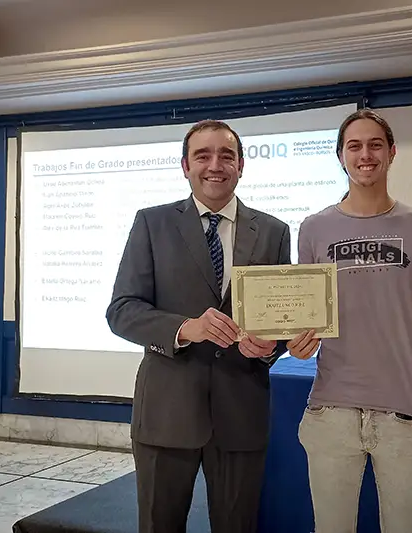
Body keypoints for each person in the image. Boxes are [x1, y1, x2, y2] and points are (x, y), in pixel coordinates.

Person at [106, 119, 292, 533]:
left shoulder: (275, 232)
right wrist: (185, 327)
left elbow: (280, 319)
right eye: (202, 155)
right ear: (185, 166)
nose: (215, 165)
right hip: (167, 413)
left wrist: (271, 345)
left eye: (226, 156)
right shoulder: (151, 224)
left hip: (241, 411)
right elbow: (121, 310)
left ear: (241, 165)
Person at [286, 108, 412, 532]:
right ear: (340, 156)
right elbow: (307, 318)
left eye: (374, 144)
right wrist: (296, 342)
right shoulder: (314, 228)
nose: (364, 154)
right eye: (354, 146)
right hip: (332, 411)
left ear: (391, 153)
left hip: (407, 415)